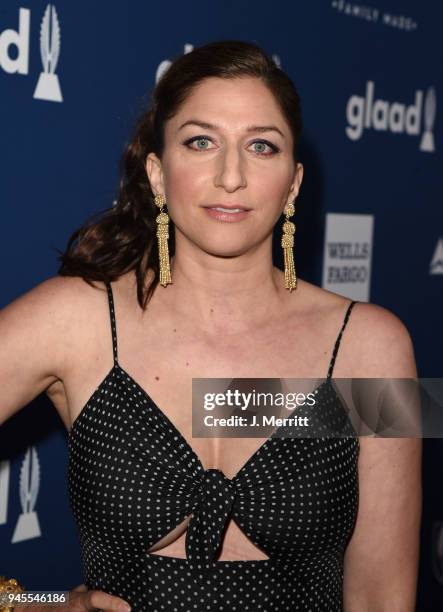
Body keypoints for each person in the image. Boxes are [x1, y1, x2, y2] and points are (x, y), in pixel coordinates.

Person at [0, 40, 421, 611]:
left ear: (294, 183)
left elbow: (381, 596)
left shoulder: (372, 348)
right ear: (156, 170)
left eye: (261, 146)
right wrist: (32, 603)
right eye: (201, 142)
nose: (231, 176)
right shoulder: (78, 320)